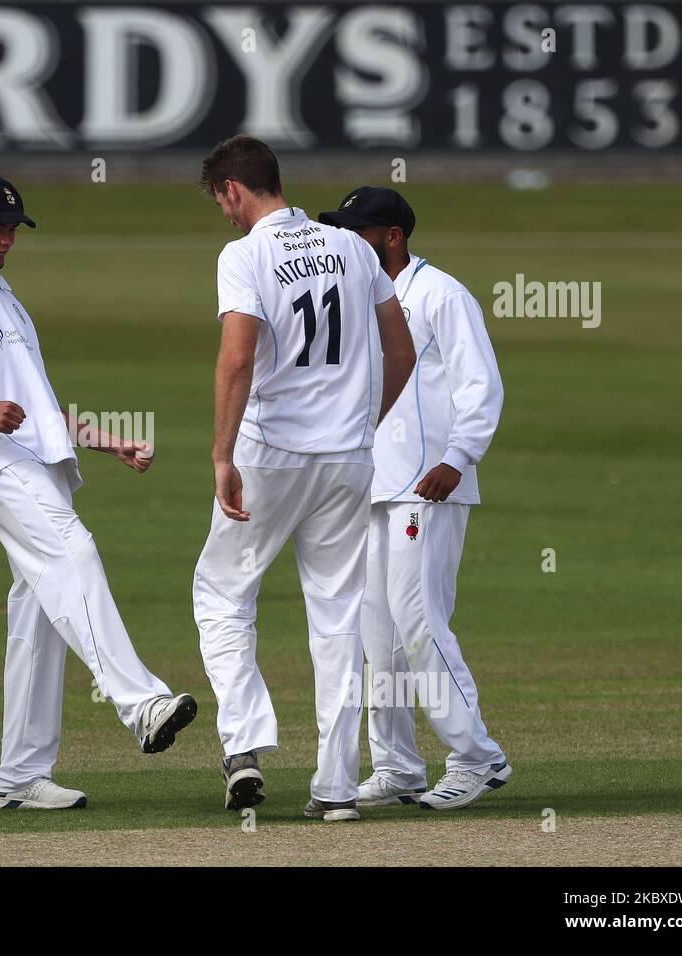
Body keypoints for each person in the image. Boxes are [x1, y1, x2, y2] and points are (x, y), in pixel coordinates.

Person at [0, 172, 196, 811]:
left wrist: (104, 438)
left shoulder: (7, 297)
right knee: (75, 554)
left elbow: (32, 403)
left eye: (12, 230)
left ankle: (20, 777)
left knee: (38, 610)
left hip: (40, 460)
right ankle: (142, 705)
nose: (5, 239)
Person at [192, 137, 416, 821]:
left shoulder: (244, 254)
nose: (225, 215)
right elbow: (400, 348)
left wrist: (222, 455)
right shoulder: (352, 247)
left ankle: (245, 745)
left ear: (234, 190)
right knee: (339, 618)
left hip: (270, 454)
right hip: (348, 459)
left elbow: (236, 360)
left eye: (221, 202)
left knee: (223, 596)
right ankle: (337, 789)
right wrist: (361, 425)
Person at [318, 186, 511, 810]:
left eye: (357, 231)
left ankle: (477, 757)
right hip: (371, 487)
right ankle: (398, 767)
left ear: (392, 237)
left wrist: (459, 458)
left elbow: (481, 385)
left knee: (421, 621)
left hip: (428, 488)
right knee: (378, 636)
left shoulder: (442, 294)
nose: (347, 240)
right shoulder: (360, 298)